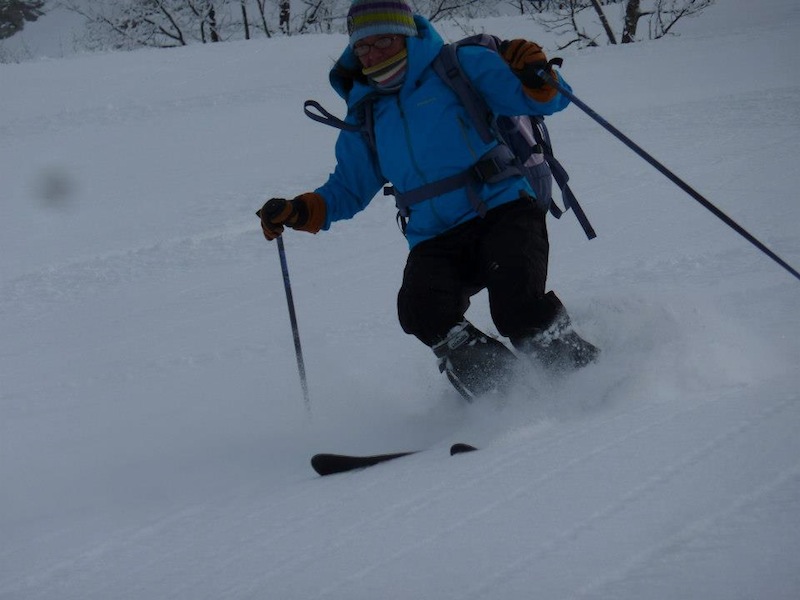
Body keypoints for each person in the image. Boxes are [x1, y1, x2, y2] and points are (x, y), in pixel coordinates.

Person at [258, 0, 599, 400]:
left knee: (517, 308)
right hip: (434, 235)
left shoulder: (460, 65)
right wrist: (301, 210)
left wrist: (535, 73)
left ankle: (585, 379)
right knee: (422, 312)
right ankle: (506, 400)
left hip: (503, 209)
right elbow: (349, 188)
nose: (371, 53)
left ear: (406, 34)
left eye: (382, 39)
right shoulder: (366, 111)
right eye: (362, 46)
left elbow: (545, 100)